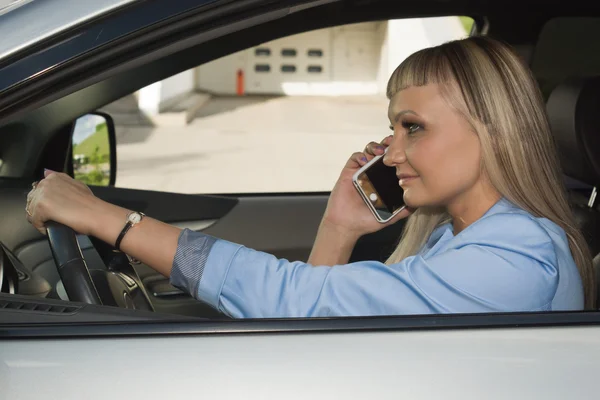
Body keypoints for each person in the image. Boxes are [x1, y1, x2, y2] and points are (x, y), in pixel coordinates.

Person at [25, 36, 596, 317]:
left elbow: (294, 300)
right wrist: (339, 228)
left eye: (414, 127)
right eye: (391, 128)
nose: (392, 151)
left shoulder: (517, 258)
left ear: (493, 130)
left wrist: (104, 217)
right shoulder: (463, 237)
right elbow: (315, 322)